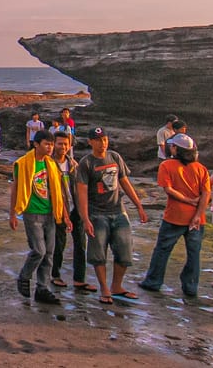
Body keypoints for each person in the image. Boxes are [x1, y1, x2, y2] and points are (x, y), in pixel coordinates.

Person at [74, 126, 149, 305]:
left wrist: (139, 205)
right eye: (98, 140)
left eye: (105, 139)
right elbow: (81, 194)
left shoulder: (115, 157)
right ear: (90, 142)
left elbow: (125, 182)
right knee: (98, 253)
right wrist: (85, 218)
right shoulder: (86, 163)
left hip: (118, 210)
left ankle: (117, 286)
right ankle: (104, 288)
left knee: (124, 250)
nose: (103, 143)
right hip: (96, 213)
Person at [139, 133, 210, 298]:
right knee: (194, 254)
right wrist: (198, 214)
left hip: (174, 216)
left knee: (163, 250)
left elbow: (168, 189)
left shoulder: (167, 165)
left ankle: (153, 282)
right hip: (197, 219)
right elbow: (206, 194)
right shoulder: (201, 169)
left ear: (175, 149)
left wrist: (187, 200)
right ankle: (191, 287)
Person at [9, 130, 71, 303]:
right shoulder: (23, 164)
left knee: (49, 253)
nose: (50, 147)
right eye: (46, 144)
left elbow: (58, 192)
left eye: (51, 144)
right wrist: (12, 214)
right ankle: (24, 276)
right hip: (32, 213)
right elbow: (15, 189)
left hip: (50, 214)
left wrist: (65, 215)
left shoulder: (51, 165)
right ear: (36, 144)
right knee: (39, 250)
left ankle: (42, 288)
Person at [49, 130, 94, 292]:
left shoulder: (74, 165)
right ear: (54, 145)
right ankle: (55, 275)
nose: (63, 147)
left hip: (76, 209)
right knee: (59, 244)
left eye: (65, 144)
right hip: (58, 210)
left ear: (70, 146)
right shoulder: (48, 165)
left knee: (81, 244)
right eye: (59, 143)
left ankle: (79, 279)